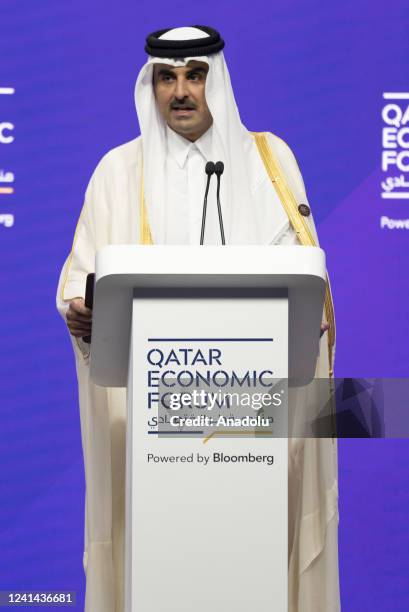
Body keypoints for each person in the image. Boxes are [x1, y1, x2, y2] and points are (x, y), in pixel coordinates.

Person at [56, 25, 339, 612]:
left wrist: (304, 314)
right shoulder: (117, 171)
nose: (180, 91)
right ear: (151, 85)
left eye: (195, 74)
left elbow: (306, 278)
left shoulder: (269, 160)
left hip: (254, 421)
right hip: (150, 424)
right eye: (167, 77)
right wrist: (80, 312)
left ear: (219, 80)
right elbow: (78, 282)